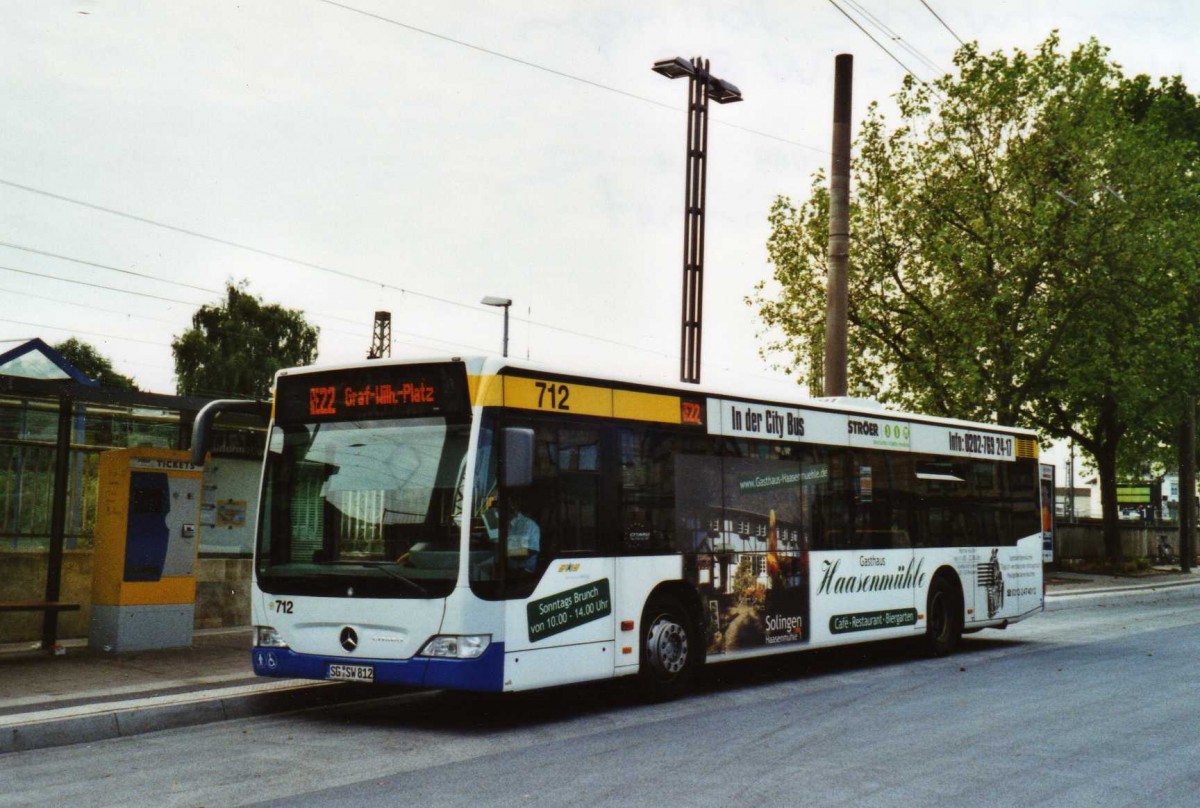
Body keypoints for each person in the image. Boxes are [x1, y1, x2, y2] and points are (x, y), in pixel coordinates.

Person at [506, 500, 540, 573]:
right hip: (510, 568)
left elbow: (526, 552)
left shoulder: (526, 524)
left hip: (523, 570)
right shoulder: (508, 524)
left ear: (513, 509)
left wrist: (503, 551)